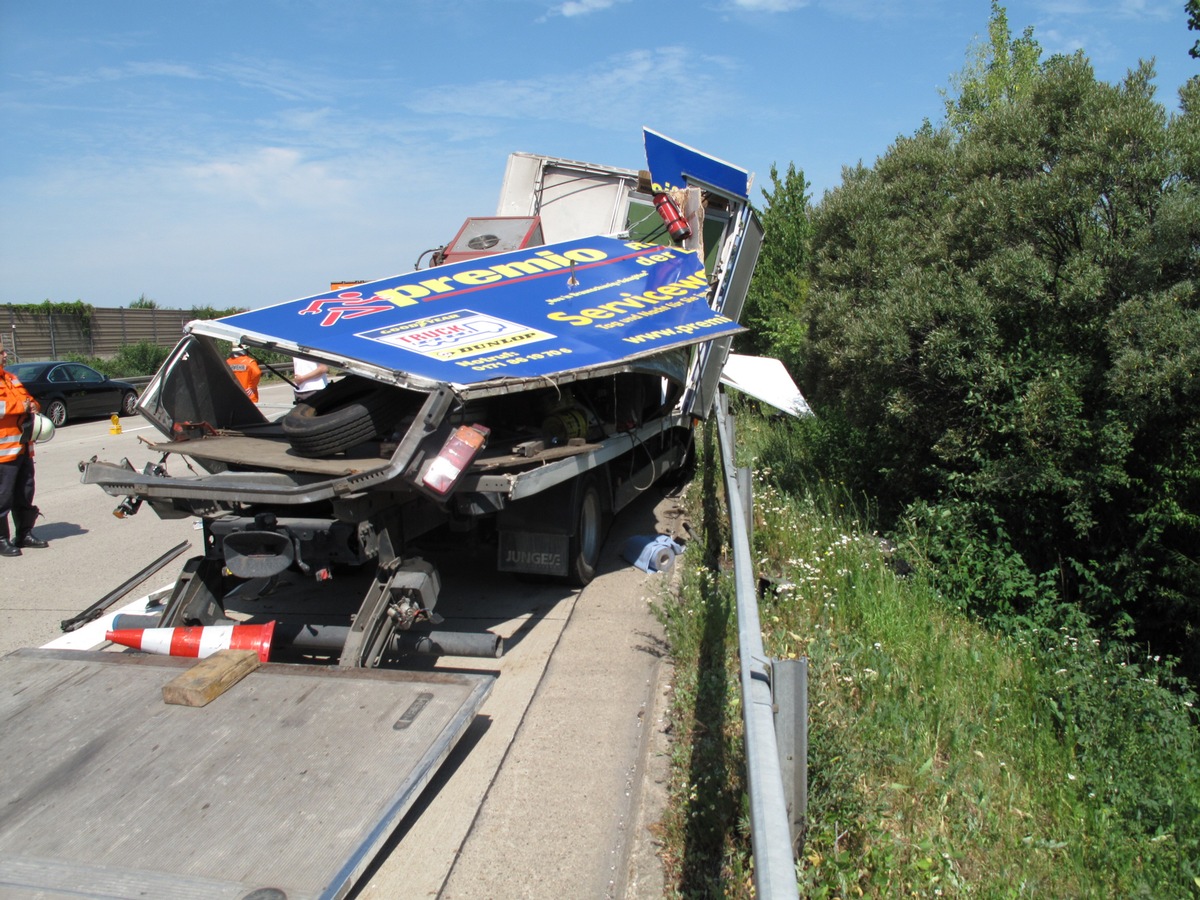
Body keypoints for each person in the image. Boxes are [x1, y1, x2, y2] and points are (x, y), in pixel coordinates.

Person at [0, 346, 48, 557]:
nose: (5, 355)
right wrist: (23, 405)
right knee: (3, 497)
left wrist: (33, 406)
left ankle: (24, 534)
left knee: (25, 492)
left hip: (22, 449)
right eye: (0, 352)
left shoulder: (11, 378)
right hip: (3, 453)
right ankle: (1, 539)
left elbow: (30, 401)